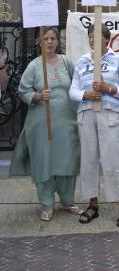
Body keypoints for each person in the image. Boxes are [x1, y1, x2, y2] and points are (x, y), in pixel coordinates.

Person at [10, 27, 81, 221]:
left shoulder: (67, 63)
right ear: (40, 43)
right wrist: (37, 96)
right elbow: (23, 90)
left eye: (52, 38)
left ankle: (67, 201)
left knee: (68, 160)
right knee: (44, 162)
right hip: (41, 124)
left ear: (58, 42)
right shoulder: (34, 66)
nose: (49, 42)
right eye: (45, 38)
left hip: (67, 123)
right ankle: (47, 204)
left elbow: (78, 85)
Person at [69, 23, 119, 227]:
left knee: (113, 159)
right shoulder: (82, 61)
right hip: (87, 113)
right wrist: (85, 94)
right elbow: (72, 91)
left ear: (107, 39)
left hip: (110, 114)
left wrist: (110, 89)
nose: (92, 39)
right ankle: (93, 204)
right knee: (88, 159)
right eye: (90, 36)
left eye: (96, 36)